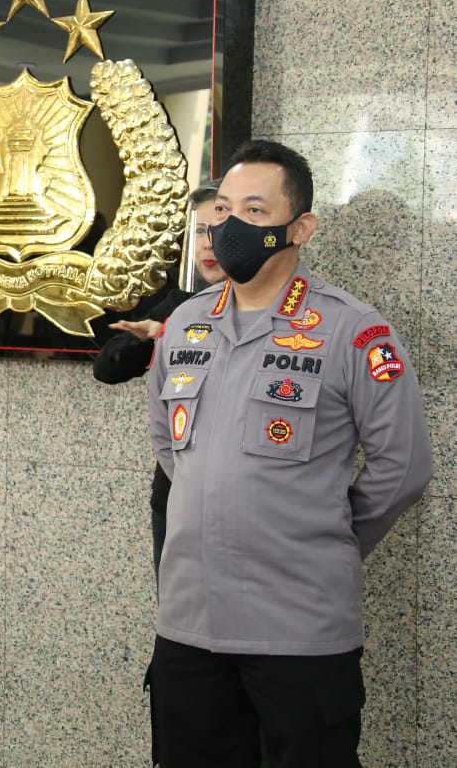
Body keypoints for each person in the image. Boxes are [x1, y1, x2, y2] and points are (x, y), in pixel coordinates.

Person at [145, 140, 432, 767]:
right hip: (191, 623)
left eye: (253, 209)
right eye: (222, 209)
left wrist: (325, 533)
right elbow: (169, 447)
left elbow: (402, 466)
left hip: (299, 630)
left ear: (300, 227)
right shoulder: (187, 325)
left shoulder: (352, 330)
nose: (230, 226)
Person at [93, 182, 227, 579]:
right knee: (179, 621)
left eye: (218, 231)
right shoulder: (180, 301)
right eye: (199, 231)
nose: (207, 244)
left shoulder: (270, 307)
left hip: (242, 499)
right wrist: (153, 336)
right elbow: (107, 368)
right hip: (176, 493)